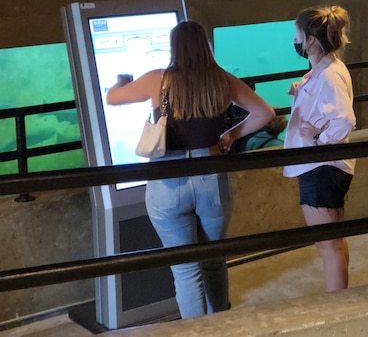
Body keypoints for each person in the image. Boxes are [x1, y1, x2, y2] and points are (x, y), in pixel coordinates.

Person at [106, 20, 275, 318]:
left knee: (186, 269)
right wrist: (232, 135)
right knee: (213, 259)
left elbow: (113, 98)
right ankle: (220, 324)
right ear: (204, 46)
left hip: (167, 180)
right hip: (212, 176)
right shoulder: (222, 80)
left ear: (175, 48)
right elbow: (265, 113)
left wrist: (122, 81)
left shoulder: (158, 80)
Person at [285, 5, 356, 291]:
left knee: (328, 245)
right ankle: (342, 302)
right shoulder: (325, 68)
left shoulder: (329, 74)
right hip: (322, 167)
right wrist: (300, 90)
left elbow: (345, 119)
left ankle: (336, 310)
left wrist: (318, 140)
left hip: (321, 167)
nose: (296, 41)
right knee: (334, 241)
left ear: (311, 39)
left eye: (298, 35)